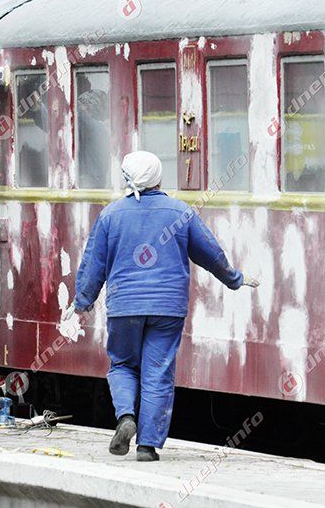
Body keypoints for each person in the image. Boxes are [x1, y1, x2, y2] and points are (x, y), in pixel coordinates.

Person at [69, 151, 259, 461]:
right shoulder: (180, 212)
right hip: (168, 308)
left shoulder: (111, 215)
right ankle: (147, 446)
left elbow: (94, 265)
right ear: (158, 177)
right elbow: (210, 253)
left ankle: (126, 417)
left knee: (123, 365)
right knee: (157, 372)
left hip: (124, 306)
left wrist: (83, 301)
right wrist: (235, 279)